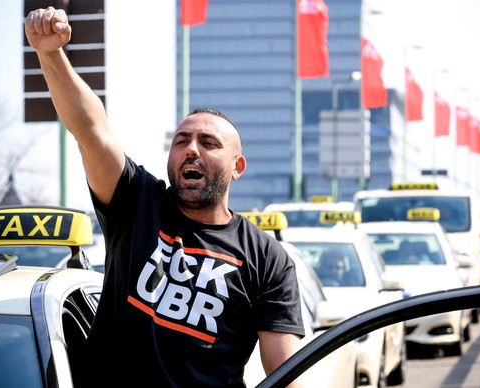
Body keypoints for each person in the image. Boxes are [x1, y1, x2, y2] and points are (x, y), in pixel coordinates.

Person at [24, 7, 304, 387]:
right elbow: (92, 130)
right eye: (181, 141)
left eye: (208, 143)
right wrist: (49, 54)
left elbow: (285, 371)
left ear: (237, 167)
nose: (191, 149)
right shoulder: (137, 203)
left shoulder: (268, 259)